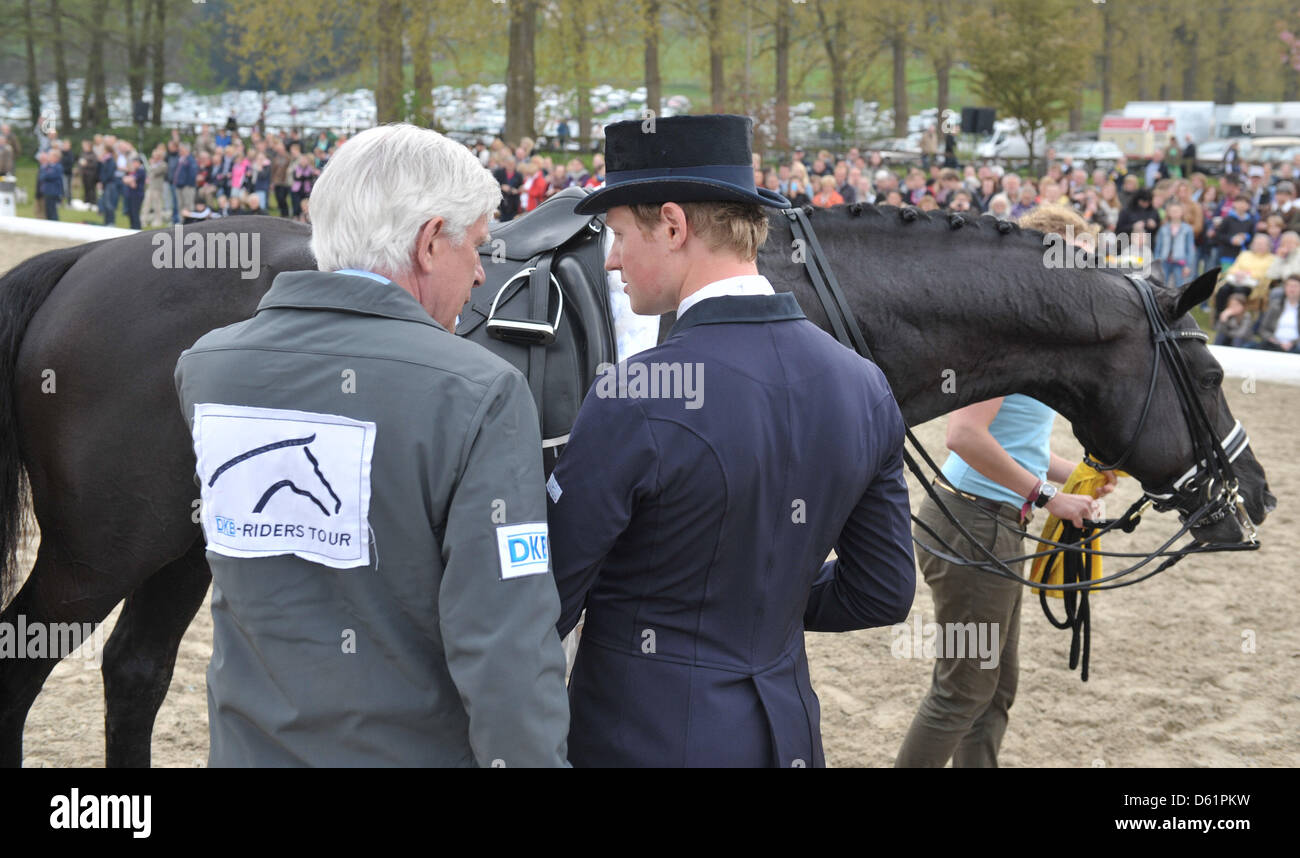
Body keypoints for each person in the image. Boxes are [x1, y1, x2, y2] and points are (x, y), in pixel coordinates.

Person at [174, 123, 570, 767]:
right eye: (475, 247)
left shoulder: (209, 367)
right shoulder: (479, 390)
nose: (480, 275)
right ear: (428, 242)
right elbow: (504, 645)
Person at [548, 114, 916, 767]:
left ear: (672, 224)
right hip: (787, 734)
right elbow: (880, 589)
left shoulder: (637, 394)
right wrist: (756, 598)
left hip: (642, 739)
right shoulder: (863, 386)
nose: (610, 258)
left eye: (619, 234)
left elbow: (546, 602)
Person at [896, 205, 1117, 768]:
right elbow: (964, 436)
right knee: (963, 691)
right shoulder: (1002, 336)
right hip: (974, 522)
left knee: (993, 690)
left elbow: (1018, 444)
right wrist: (1046, 497)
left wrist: (1079, 478)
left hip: (987, 521)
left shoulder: (1025, 333)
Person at [1252, 275, 1300, 352]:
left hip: (1296, 346)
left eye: (1295, 286)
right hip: (1274, 344)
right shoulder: (1275, 306)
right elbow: (1263, 329)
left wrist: (1292, 343)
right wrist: (1275, 341)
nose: (1292, 289)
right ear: (1285, 288)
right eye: (1290, 286)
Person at [1154, 201, 1195, 289]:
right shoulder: (1163, 228)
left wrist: (1188, 265)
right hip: (1164, 261)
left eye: (1177, 211)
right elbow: (1158, 247)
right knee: (1162, 285)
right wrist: (1156, 263)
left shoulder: (1187, 229)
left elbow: (1190, 249)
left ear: (1182, 212)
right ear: (1168, 213)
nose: (1175, 213)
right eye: (1172, 211)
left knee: (1179, 286)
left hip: (1180, 262)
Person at [37, 151, 65, 221]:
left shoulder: (58, 167)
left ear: (56, 158)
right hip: (47, 191)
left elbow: (50, 176)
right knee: (48, 210)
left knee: (52, 211)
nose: (49, 157)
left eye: (50, 156)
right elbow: (41, 176)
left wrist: (46, 174)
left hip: (53, 192)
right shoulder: (48, 166)